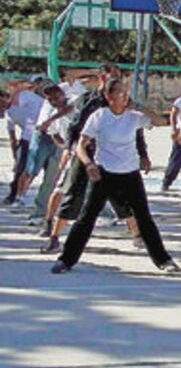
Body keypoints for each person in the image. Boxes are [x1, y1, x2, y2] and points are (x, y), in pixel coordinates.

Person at [50, 77, 177, 274]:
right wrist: (89, 164)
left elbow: (160, 121)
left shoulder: (133, 116)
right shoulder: (99, 116)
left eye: (126, 92)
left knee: (144, 217)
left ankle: (164, 260)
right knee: (86, 217)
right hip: (104, 173)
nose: (125, 95)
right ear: (109, 97)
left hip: (130, 173)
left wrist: (139, 107)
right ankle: (65, 260)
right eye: (121, 92)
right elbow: (81, 146)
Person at [40, 65, 150, 255]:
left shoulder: (124, 103)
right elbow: (75, 126)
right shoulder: (88, 100)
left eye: (117, 77)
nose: (115, 81)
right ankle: (55, 238)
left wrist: (143, 154)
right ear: (102, 78)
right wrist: (68, 148)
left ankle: (138, 236)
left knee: (122, 199)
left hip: (112, 159)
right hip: (86, 156)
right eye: (111, 76)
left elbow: (136, 130)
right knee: (72, 194)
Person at [15, 85, 69, 219]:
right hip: (43, 137)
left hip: (61, 141)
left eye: (56, 97)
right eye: (50, 99)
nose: (54, 101)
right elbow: (46, 126)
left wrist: (64, 146)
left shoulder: (71, 102)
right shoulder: (47, 105)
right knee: (32, 170)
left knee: (51, 178)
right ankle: (20, 196)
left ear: (62, 93)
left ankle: (41, 210)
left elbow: (68, 109)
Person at [1, 77, 44, 204]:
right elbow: (12, 136)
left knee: (32, 168)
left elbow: (14, 97)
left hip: (42, 134)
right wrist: (15, 153)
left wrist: (16, 89)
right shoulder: (9, 114)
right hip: (28, 137)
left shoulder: (24, 96)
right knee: (20, 168)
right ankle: (15, 194)